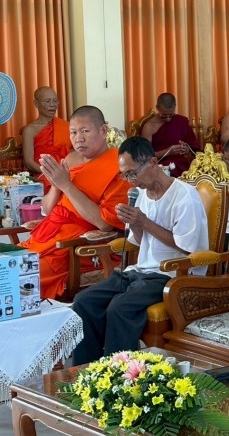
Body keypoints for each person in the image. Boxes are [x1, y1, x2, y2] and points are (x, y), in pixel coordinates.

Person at [71, 137, 209, 364]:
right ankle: (86, 370)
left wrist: (144, 222)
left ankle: (118, 373)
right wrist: (134, 223)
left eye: (133, 173)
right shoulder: (141, 194)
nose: (130, 181)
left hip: (171, 274)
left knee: (119, 307)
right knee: (83, 301)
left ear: (153, 162)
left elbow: (187, 247)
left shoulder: (184, 196)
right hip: (141, 271)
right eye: (125, 175)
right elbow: (140, 240)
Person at [19, 106, 132, 300]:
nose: (78, 138)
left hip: (77, 248)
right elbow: (47, 209)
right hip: (48, 237)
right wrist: (56, 184)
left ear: (103, 131)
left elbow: (104, 223)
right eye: (73, 132)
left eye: (85, 131)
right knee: (6, 267)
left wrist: (67, 185)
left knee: (18, 277)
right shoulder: (70, 159)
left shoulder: (118, 167)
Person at [139, 93, 200, 178]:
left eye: (171, 115)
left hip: (182, 165)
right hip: (160, 166)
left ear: (174, 107)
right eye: (164, 115)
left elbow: (194, 148)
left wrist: (186, 149)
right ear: (157, 108)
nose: (168, 118)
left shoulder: (181, 121)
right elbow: (145, 156)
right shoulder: (149, 126)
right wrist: (168, 151)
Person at [21, 86, 71, 178]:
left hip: (67, 171)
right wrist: (52, 174)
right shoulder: (29, 130)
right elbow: (29, 163)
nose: (52, 105)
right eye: (47, 101)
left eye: (55, 101)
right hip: (44, 174)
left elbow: (75, 153)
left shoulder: (66, 126)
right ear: (36, 103)